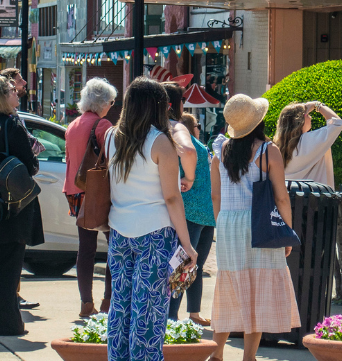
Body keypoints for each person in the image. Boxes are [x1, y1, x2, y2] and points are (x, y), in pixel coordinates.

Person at [105, 77, 197, 361]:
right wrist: (187, 244)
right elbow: (172, 198)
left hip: (119, 231)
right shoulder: (161, 142)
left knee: (120, 307)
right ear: (160, 106)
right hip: (155, 234)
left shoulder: (111, 136)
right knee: (148, 312)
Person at [210, 94, 301, 361]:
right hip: (258, 223)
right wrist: (286, 232)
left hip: (228, 222)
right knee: (257, 289)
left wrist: (222, 224)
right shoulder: (267, 150)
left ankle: (217, 354)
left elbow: (216, 196)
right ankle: (248, 357)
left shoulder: (220, 150)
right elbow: (281, 196)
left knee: (229, 288)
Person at [0, 77, 45, 335]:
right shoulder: (12, 124)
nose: (18, 94)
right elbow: (30, 164)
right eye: (13, 90)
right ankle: (6, 324)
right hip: (10, 205)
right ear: (4, 96)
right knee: (8, 267)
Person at [63, 77, 118, 318]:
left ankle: (86, 303)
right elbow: (113, 159)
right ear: (103, 102)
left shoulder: (73, 125)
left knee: (85, 249)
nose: (112, 106)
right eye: (112, 102)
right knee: (115, 247)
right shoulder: (102, 125)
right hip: (98, 194)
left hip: (75, 192)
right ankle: (108, 301)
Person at [169, 111, 214, 326]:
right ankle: (173, 314)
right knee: (185, 264)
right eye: (196, 124)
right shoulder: (184, 146)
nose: (198, 127)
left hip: (202, 212)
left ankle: (193, 312)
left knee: (193, 265)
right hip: (193, 212)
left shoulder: (197, 146)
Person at [274, 100, 342, 187]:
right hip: (313, 197)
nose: (310, 118)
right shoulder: (309, 141)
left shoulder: (277, 148)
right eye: (307, 115)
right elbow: (337, 123)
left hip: (286, 196)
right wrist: (318, 105)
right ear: (300, 121)